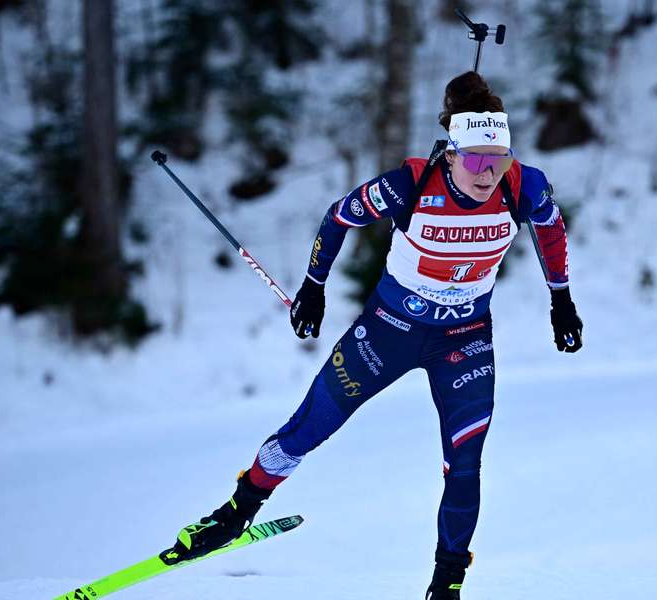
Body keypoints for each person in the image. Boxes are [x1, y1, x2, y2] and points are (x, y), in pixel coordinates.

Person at [170, 71, 583, 599]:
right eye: (476, 160)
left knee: (465, 462)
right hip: (389, 330)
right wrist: (314, 286)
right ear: (451, 154)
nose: (488, 173)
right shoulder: (410, 184)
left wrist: (562, 298)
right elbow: (339, 216)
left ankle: (447, 581)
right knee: (309, 427)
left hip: (465, 337)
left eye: (498, 159)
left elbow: (550, 228)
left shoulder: (523, 185)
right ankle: (238, 511)